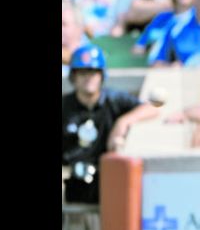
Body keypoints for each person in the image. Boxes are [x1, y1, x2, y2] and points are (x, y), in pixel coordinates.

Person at [62, 45, 160, 204]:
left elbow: (152, 108)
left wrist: (123, 121)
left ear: (101, 75)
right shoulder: (65, 106)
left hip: (108, 176)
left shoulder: (114, 99)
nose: (89, 78)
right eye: (83, 73)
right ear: (74, 76)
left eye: (94, 72)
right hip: (74, 179)